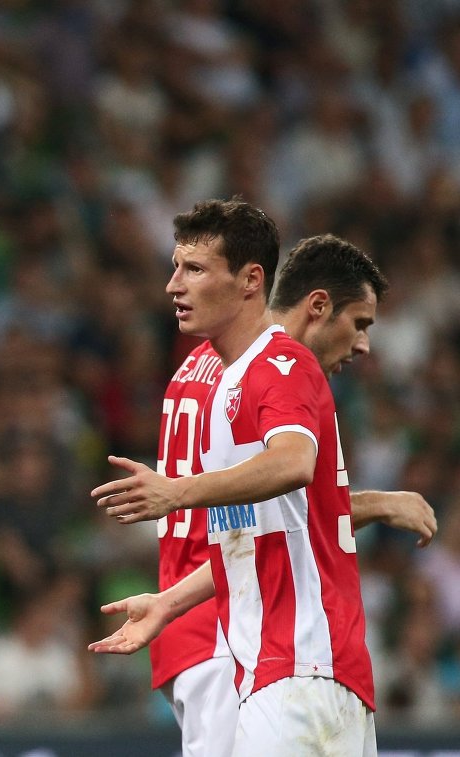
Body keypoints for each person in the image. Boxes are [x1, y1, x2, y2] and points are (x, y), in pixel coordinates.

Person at [90, 202, 381, 755]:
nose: (174, 284)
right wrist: (170, 602)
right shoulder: (233, 381)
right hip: (279, 666)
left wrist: (176, 492)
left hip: (296, 668)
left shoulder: (280, 364)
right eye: (176, 267)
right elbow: (254, 527)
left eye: (195, 269)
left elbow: (293, 463)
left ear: (251, 280)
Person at [145, 231, 434, 757]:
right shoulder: (266, 370)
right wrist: (376, 503)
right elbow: (277, 491)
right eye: (359, 324)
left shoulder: (203, 364)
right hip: (236, 627)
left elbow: (279, 507)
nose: (364, 346)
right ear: (317, 306)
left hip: (210, 619)